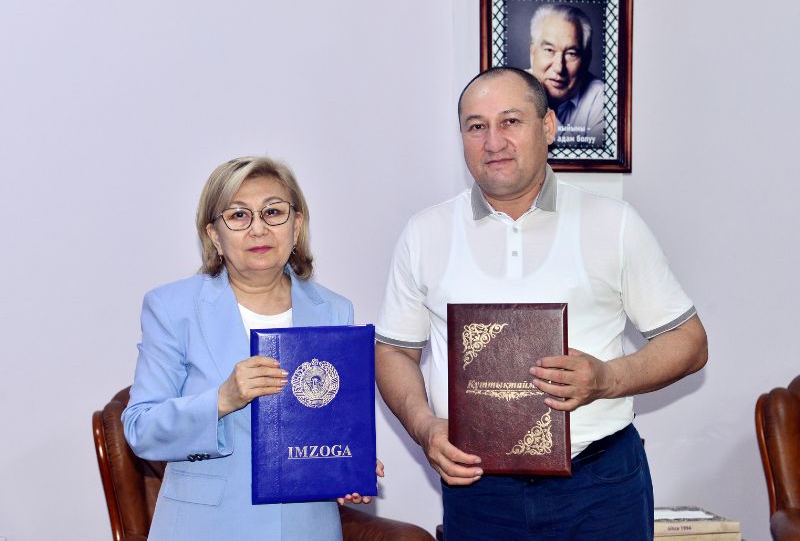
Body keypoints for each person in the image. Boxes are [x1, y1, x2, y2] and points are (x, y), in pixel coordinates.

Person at [375, 67, 707, 539]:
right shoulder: (425, 233)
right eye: (476, 126)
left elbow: (690, 342)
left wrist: (607, 378)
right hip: (478, 490)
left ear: (548, 126)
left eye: (510, 121)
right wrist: (424, 426)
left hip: (599, 485)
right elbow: (393, 351)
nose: (493, 142)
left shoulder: (613, 223)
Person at [123, 156, 381, 541]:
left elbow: (331, 425)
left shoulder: (334, 310)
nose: (258, 228)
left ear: (297, 225)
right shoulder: (172, 308)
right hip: (206, 528)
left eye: (273, 212)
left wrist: (346, 467)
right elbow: (141, 429)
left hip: (306, 527)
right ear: (214, 235)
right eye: (239, 215)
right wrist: (222, 399)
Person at [528, 3, 604, 147]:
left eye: (571, 54)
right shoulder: (514, 89)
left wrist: (540, 106)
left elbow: (594, 158)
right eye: (549, 50)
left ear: (587, 59)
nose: (559, 68)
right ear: (533, 53)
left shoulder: (603, 97)